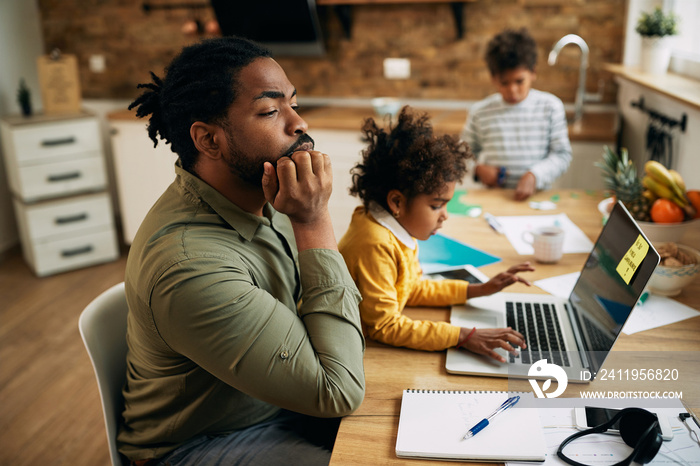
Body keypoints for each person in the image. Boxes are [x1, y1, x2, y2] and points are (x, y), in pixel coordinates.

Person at [119, 37, 365, 466]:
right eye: (270, 111)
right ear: (209, 140)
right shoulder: (188, 266)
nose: (299, 123)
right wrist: (314, 221)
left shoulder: (267, 195)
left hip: (274, 401)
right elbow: (337, 391)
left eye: (293, 103)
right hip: (202, 442)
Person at [338, 106, 533, 361]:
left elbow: (411, 289)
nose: (445, 215)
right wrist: (463, 335)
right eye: (436, 205)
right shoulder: (376, 243)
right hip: (352, 351)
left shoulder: (396, 229)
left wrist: (478, 290)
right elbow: (384, 326)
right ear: (397, 202)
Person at [461, 28, 572, 201]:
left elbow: (562, 154)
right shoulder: (479, 112)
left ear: (533, 72)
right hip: (494, 199)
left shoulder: (551, 107)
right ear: (493, 78)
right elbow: (462, 153)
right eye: (504, 82)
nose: (512, 90)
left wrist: (535, 175)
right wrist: (477, 169)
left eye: (519, 81)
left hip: (537, 199)